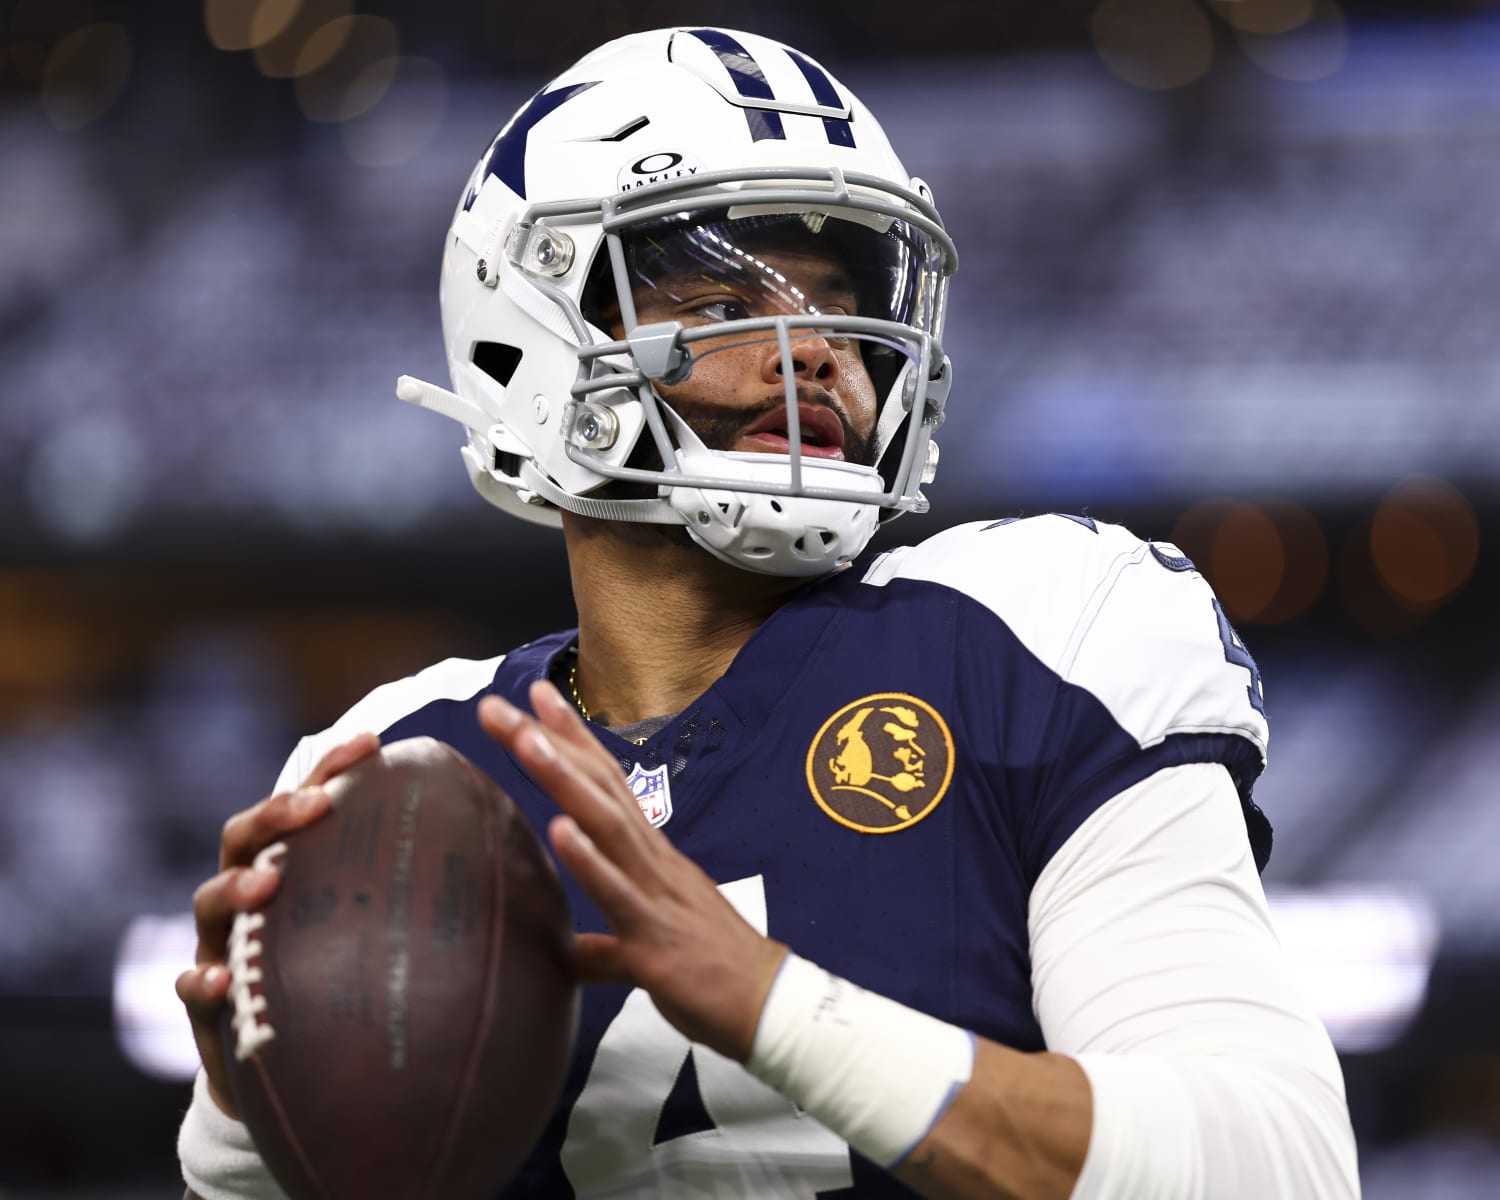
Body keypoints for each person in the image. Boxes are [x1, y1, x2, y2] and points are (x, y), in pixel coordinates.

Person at [175, 26, 1358, 1199]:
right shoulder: (394, 760)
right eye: (722, 289)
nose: (819, 348)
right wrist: (250, 1128)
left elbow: (1276, 1168)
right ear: (533, 331)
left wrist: (772, 1003)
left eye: (841, 302)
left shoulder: (1038, 637)